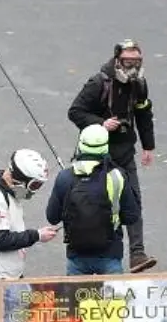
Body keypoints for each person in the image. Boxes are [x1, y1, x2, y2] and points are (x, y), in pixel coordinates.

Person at [67, 40, 158, 273]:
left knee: (133, 201)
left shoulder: (139, 83)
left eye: (137, 62)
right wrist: (101, 124)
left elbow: (143, 112)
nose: (133, 67)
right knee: (95, 202)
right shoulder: (99, 82)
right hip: (95, 154)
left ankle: (137, 254)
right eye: (128, 61)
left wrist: (148, 146)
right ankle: (87, 252)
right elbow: (75, 111)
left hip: (125, 153)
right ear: (117, 59)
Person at [45, 124, 140, 276]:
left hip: (77, 256)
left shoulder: (65, 177)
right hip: (110, 254)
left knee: (76, 299)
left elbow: (52, 217)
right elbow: (132, 216)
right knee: (114, 299)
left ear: (80, 145)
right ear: (105, 147)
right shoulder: (117, 176)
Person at [0, 150, 56, 309]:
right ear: (20, 179)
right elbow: (0, 240)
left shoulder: (6, 190)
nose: (35, 190)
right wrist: (36, 235)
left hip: (8, 271)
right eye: (35, 185)